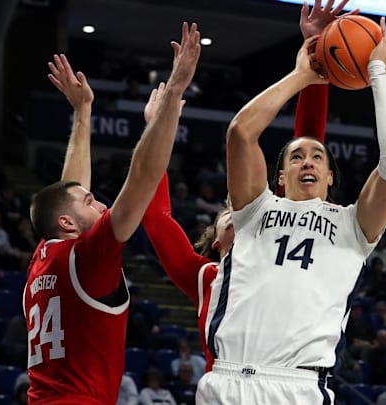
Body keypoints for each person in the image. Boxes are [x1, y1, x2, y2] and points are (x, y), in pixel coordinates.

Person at [196, 16, 386, 404]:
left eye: (316, 156)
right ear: (280, 175)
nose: (307, 162)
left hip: (298, 387)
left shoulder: (353, 226)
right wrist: (301, 74)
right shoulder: (254, 209)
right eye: (296, 156)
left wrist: (377, 71)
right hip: (225, 381)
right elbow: (241, 133)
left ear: (329, 177)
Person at [141, 0, 343, 373]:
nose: (239, 213)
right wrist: (157, 129)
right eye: (229, 217)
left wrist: (316, 52)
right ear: (217, 243)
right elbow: (156, 217)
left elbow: (307, 145)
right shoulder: (206, 277)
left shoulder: (276, 230)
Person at [23, 23, 201, 405]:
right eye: (91, 203)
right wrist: (174, 93)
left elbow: (67, 192)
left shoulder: (44, 258)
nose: (101, 204)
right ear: (68, 224)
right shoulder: (88, 258)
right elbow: (143, 177)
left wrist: (83, 111)